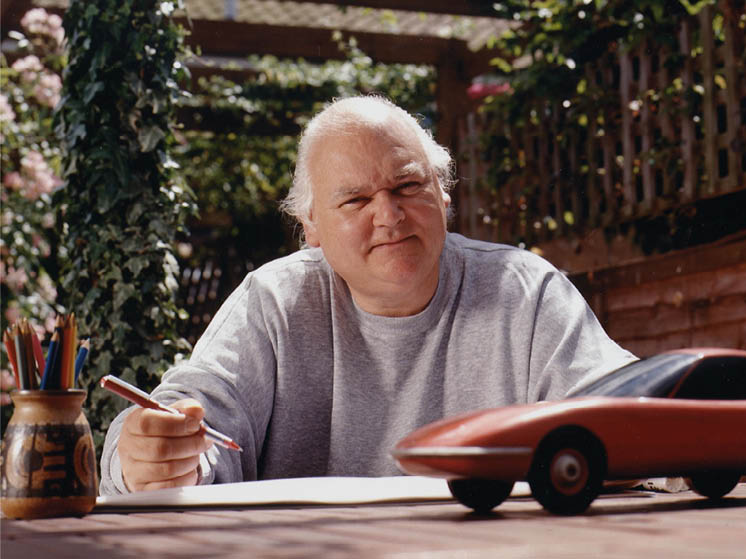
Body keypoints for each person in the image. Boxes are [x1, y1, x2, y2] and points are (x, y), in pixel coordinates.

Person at [99, 95, 636, 494]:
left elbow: (623, 411)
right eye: (355, 200)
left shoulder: (526, 291)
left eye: (407, 186)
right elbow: (195, 412)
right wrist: (149, 453)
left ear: (443, 193)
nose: (389, 215)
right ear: (310, 225)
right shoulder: (274, 301)